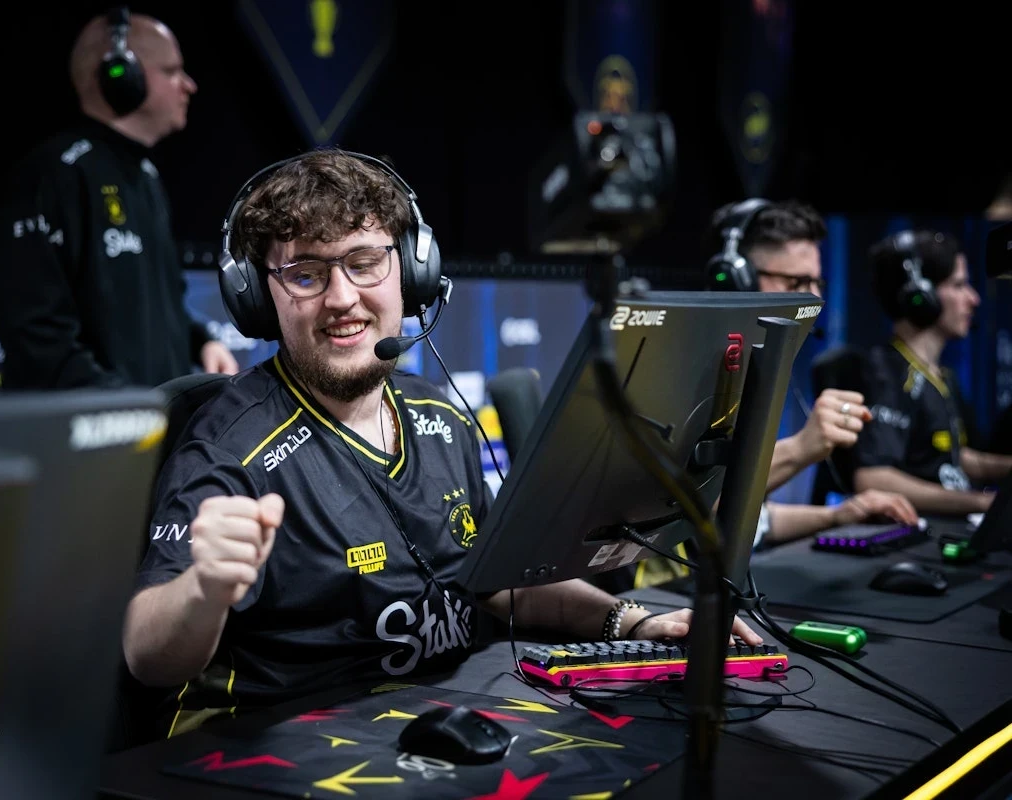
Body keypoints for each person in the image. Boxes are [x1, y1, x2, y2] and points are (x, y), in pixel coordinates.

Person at [121, 149, 762, 737]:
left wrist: (633, 623)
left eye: (364, 263)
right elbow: (147, 654)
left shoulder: (438, 413)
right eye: (306, 275)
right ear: (259, 297)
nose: (342, 298)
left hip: (444, 720)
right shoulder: (228, 448)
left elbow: (498, 584)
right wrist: (204, 587)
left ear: (413, 270)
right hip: (285, 743)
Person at [0, 10, 237, 390]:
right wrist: (121, 406)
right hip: (92, 424)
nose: (189, 85)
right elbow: (38, 337)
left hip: (148, 418)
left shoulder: (146, 176)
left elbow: (155, 312)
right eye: (172, 71)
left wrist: (202, 342)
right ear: (122, 76)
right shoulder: (54, 174)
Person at [703, 199, 919, 548]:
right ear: (738, 280)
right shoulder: (692, 375)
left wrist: (838, 515)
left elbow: (751, 522)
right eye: (798, 282)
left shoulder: (754, 370)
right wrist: (802, 448)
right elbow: (697, 505)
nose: (815, 300)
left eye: (817, 283)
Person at [852, 229, 1011, 515]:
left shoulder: (942, 376)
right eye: (959, 285)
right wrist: (982, 503)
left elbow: (949, 457)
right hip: (924, 530)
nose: (973, 299)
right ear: (921, 296)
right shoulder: (886, 372)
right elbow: (872, 478)